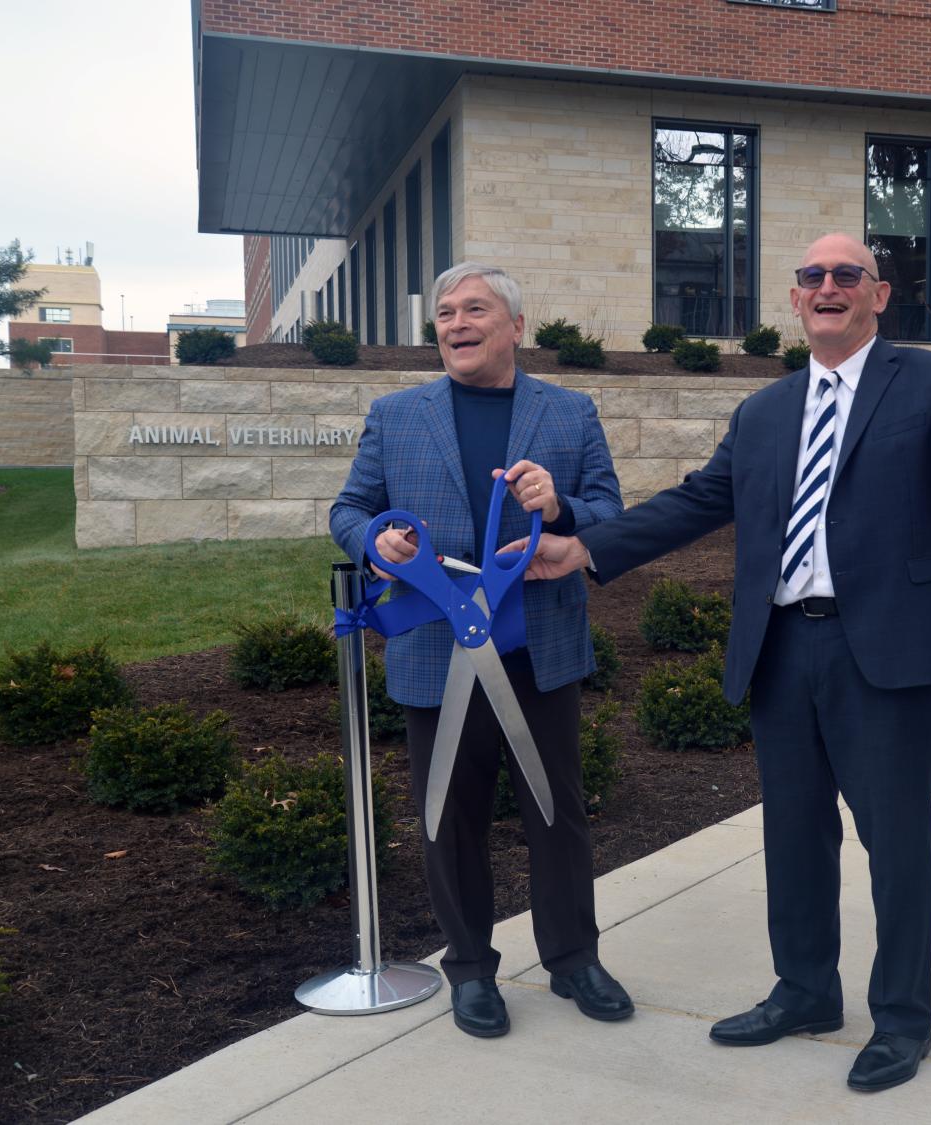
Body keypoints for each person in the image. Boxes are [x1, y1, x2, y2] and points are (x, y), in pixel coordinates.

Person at [519, 233, 931, 1091]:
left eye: (846, 275)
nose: (828, 287)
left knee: (895, 842)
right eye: (812, 276)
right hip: (784, 646)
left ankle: (901, 1018)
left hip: (887, 652)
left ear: (878, 295)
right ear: (794, 301)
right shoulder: (765, 411)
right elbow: (699, 501)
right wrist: (584, 549)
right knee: (794, 834)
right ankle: (806, 990)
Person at [330, 262, 631, 1039]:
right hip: (438, 650)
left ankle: (573, 960)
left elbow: (608, 512)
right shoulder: (396, 415)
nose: (455, 324)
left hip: (540, 649)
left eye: (474, 309)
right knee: (450, 817)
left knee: (556, 809)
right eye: (444, 314)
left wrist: (561, 506)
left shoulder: (569, 413)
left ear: (515, 327)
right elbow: (349, 509)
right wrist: (376, 541)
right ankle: (469, 970)